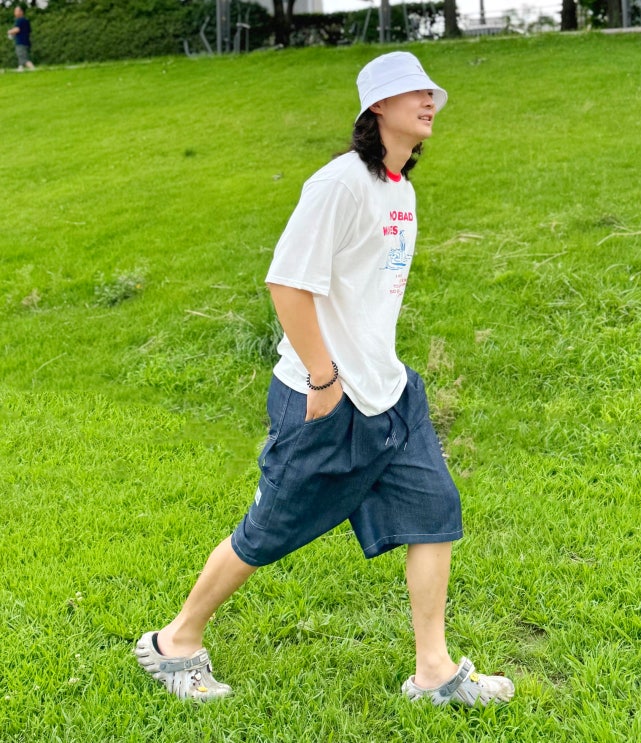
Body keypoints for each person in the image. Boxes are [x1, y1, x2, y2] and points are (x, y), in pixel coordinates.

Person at [135, 51, 515, 708]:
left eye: (431, 91)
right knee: (268, 530)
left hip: (390, 392)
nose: (429, 100)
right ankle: (174, 642)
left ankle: (434, 671)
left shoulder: (399, 190)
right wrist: (323, 377)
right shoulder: (339, 184)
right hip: (326, 396)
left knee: (434, 513)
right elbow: (287, 283)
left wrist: (368, 371)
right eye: (413, 92)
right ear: (378, 107)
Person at [7, 6, 35, 72]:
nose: (15, 13)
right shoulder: (26, 21)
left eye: (16, 11)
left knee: (23, 58)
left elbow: (17, 30)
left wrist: (10, 31)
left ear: (21, 12)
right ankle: (20, 68)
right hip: (26, 42)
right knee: (21, 57)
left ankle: (33, 69)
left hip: (21, 42)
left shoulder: (19, 20)